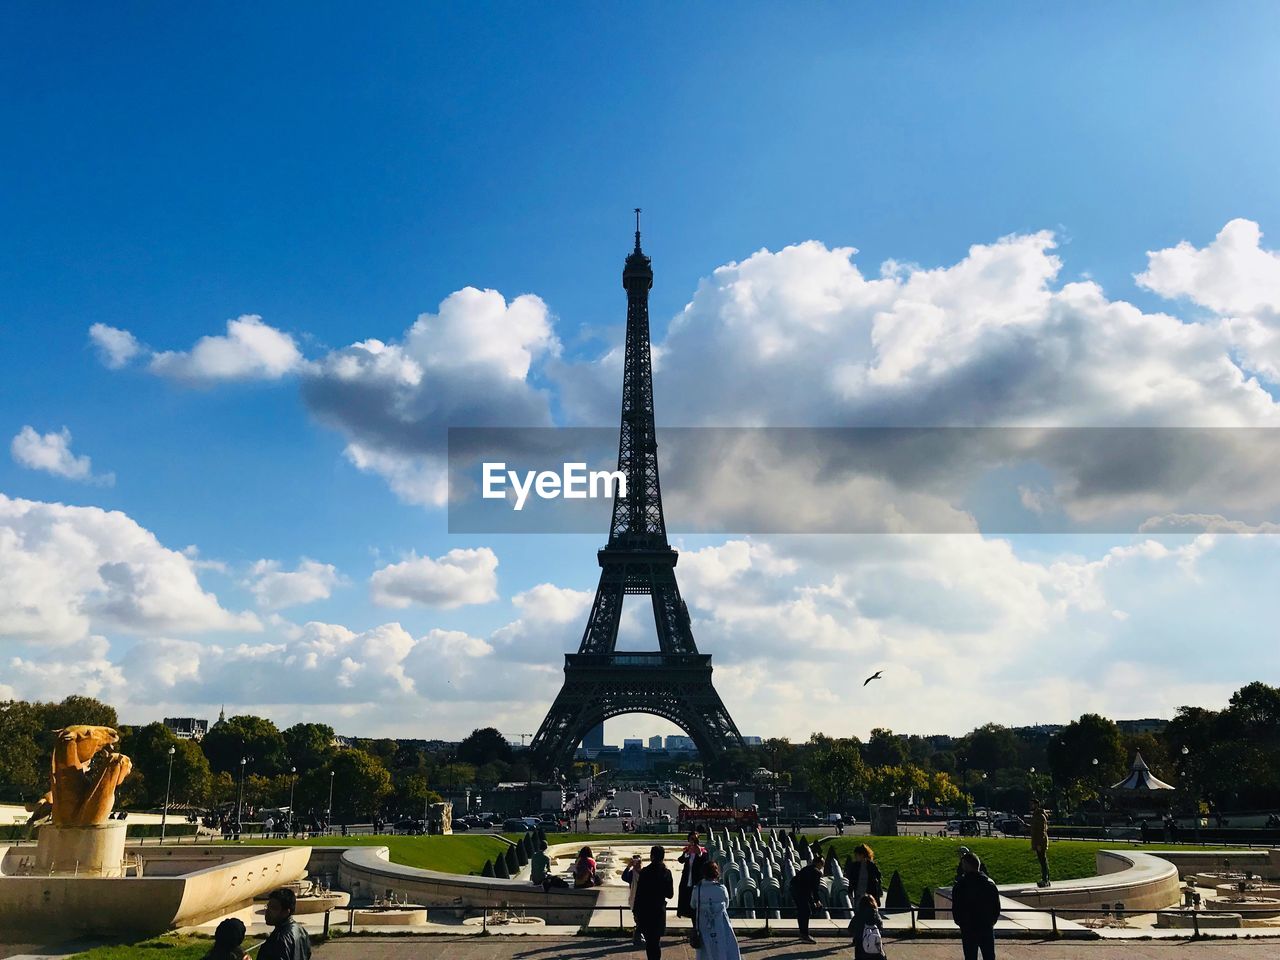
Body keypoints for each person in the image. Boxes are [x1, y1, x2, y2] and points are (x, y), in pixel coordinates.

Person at [951, 852, 1000, 960]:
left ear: (967, 865)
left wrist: (960, 922)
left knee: (970, 956)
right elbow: (996, 907)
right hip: (985, 926)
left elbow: (956, 908)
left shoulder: (960, 886)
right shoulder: (989, 884)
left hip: (968, 927)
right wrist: (991, 921)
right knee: (989, 956)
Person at [633, 845, 675, 960]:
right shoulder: (666, 872)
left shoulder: (645, 872)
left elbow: (639, 894)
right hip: (659, 911)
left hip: (646, 911)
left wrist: (635, 912)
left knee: (649, 942)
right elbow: (670, 894)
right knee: (656, 942)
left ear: (651, 856)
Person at [694, 860, 741, 959]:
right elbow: (726, 904)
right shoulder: (722, 889)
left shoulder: (697, 890)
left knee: (705, 951)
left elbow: (693, 905)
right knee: (723, 948)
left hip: (703, 924)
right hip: (721, 925)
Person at [258, 888, 311, 960]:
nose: (267, 911)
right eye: (268, 906)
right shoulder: (301, 930)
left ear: (286, 912)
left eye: (273, 908)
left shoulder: (279, 939)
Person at [791, 850, 824, 944]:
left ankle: (802, 933)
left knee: (802, 912)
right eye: (822, 864)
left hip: (795, 891)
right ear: (818, 864)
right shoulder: (816, 872)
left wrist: (811, 900)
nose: (822, 867)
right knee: (806, 912)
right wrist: (817, 901)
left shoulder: (806, 868)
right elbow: (815, 889)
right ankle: (804, 934)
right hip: (801, 892)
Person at [676, 831, 708, 920]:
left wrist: (699, 853)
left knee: (696, 904)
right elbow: (681, 860)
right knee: (687, 900)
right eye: (691, 839)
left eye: (695, 839)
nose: (693, 841)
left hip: (697, 880)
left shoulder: (702, 851)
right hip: (687, 879)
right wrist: (687, 853)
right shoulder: (687, 850)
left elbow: (705, 860)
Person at [851, 893, 886, 960]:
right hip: (875, 946)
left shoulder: (858, 915)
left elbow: (850, 929)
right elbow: (881, 927)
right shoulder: (876, 915)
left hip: (861, 948)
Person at [622, 852, 645, 945]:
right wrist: (628, 866)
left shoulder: (645, 872)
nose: (638, 863)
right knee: (637, 917)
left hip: (644, 898)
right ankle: (638, 934)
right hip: (635, 898)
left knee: (643, 917)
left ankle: (639, 933)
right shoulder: (632, 874)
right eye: (635, 862)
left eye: (639, 861)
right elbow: (624, 877)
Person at [1029, 800, 1050, 887]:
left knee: (1043, 861)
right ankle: (1045, 879)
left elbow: (1042, 831)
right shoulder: (1036, 815)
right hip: (1038, 842)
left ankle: (1045, 880)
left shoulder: (1040, 816)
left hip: (1040, 843)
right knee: (1042, 861)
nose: (1031, 805)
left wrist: (1039, 844)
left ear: (1036, 805)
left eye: (1032, 804)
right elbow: (1034, 829)